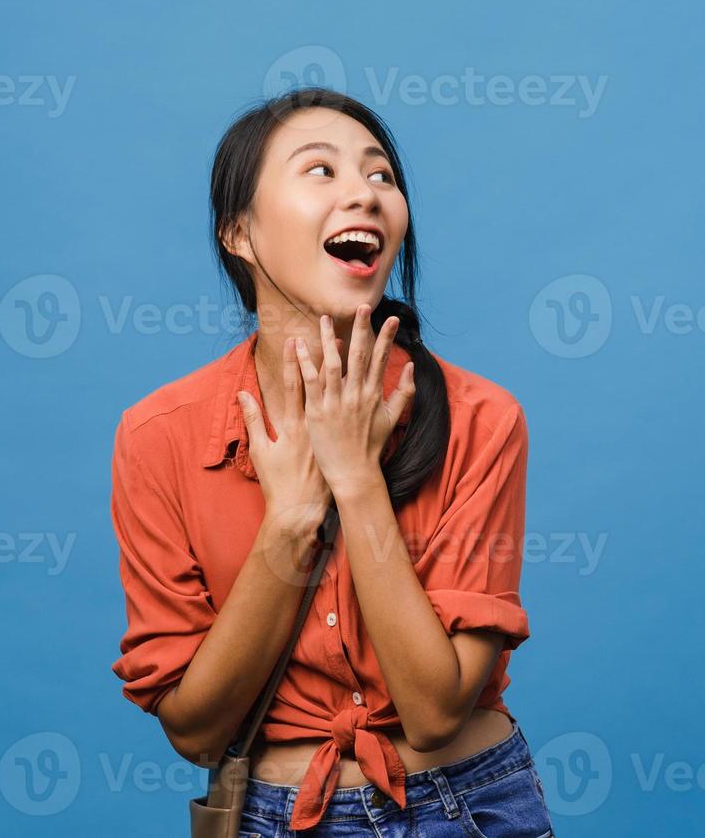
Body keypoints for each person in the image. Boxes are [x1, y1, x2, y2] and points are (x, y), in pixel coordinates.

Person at [110, 88, 555, 835]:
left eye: (382, 176)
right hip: (277, 819)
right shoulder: (159, 437)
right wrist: (289, 519)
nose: (366, 195)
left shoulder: (485, 421)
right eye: (320, 171)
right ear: (238, 233)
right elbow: (194, 734)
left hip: (466, 807)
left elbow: (437, 708)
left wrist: (354, 478)